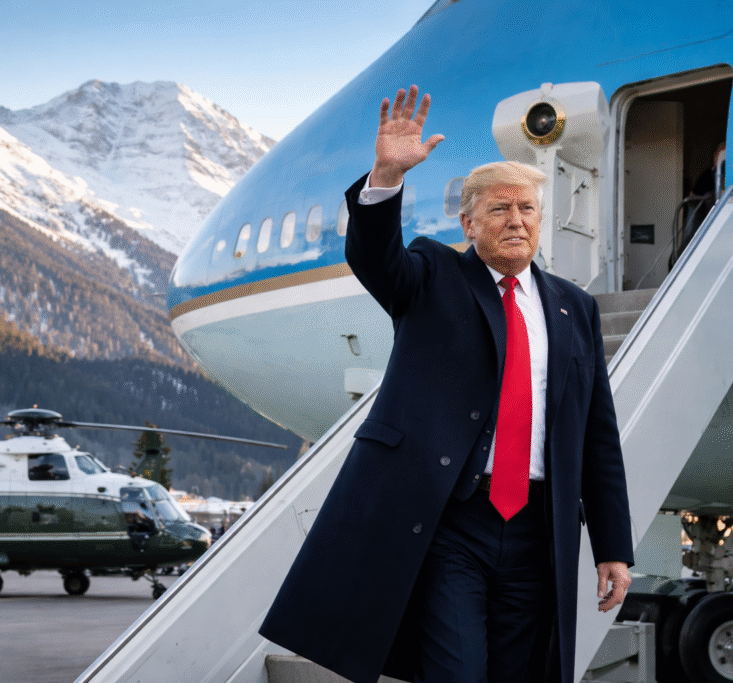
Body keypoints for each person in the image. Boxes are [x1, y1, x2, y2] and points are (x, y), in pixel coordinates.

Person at [259, 86, 634, 683]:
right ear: (468, 222)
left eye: (527, 209)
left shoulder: (574, 308)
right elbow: (376, 257)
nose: (516, 220)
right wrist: (385, 177)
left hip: (541, 530)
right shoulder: (433, 274)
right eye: (499, 210)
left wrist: (614, 544)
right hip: (453, 524)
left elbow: (597, 435)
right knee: (456, 671)